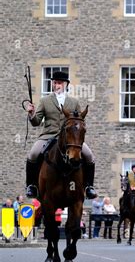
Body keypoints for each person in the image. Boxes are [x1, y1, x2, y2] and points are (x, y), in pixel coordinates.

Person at [25, 71, 97, 199]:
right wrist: (31, 114)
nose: (56, 85)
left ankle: (88, 186)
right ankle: (32, 186)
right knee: (33, 154)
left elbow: (78, 120)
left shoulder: (73, 102)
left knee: (89, 155)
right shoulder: (45, 100)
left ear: (65, 84)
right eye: (55, 83)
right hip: (48, 135)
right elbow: (36, 122)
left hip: (69, 138)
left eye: (59, 83)